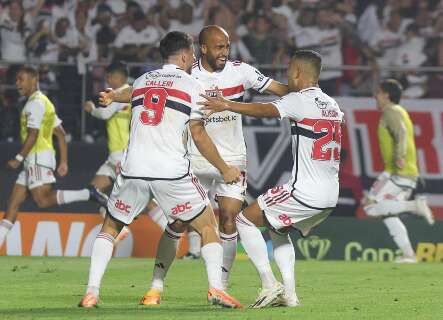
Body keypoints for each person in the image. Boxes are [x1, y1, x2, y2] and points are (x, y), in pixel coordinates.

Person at [78, 31, 242, 309]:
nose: (193, 59)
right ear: (183, 55)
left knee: (110, 227)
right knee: (207, 226)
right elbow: (199, 135)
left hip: (133, 169)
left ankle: (91, 291)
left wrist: (115, 95)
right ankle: (215, 288)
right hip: (171, 171)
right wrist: (225, 168)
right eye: (191, 54)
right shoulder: (191, 84)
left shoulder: (143, 80)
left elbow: (131, 92)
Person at [199, 50, 344, 308]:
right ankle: (289, 294)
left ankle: (269, 284)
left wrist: (227, 104)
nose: (287, 75)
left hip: (303, 191)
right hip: (330, 195)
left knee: (244, 220)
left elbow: (264, 109)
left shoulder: (299, 100)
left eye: (289, 70)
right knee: (278, 230)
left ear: (298, 72)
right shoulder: (332, 105)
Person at [174, 25, 289, 286]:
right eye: (219, 47)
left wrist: (308, 91)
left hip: (233, 157)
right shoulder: (187, 74)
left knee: (228, 218)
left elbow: (278, 89)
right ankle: (158, 282)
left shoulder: (241, 71)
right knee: (181, 222)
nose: (225, 52)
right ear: (203, 48)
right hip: (196, 157)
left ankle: (221, 284)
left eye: (227, 46)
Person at [0, 66, 107, 248]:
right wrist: (63, 160)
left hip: (36, 157)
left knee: (42, 200)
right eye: (17, 79)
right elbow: (60, 133)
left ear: (34, 80)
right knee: (13, 203)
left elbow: (33, 135)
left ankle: (86, 193)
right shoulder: (44, 101)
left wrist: (18, 158)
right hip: (35, 159)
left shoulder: (35, 104)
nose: (17, 83)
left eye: (21, 79)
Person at [83, 61, 167, 241]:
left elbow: (104, 114)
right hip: (115, 156)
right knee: (94, 190)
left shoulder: (121, 93)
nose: (108, 80)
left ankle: (168, 228)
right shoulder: (133, 92)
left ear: (120, 76)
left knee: (142, 198)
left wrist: (91, 109)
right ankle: (121, 224)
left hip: (123, 155)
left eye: (110, 76)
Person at [362, 79, 434, 263]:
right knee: (388, 214)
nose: (375, 96)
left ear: (386, 94)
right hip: (404, 173)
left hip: (396, 173)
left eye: (378, 93)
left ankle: (413, 206)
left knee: (370, 206)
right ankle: (409, 255)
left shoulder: (391, 111)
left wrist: (400, 155)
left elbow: (401, 133)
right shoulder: (400, 111)